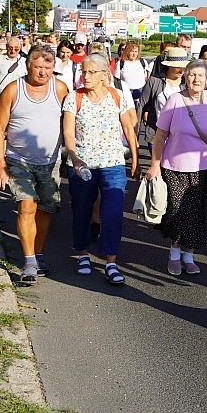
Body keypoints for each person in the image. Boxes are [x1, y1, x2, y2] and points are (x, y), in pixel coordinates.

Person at [0, 45, 70, 285]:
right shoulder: (13, 90)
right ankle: (29, 261)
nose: (43, 72)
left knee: (45, 210)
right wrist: (0, 164)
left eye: (48, 67)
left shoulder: (59, 89)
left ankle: (38, 252)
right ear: (28, 66)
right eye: (38, 67)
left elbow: (72, 120)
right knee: (26, 207)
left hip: (50, 161)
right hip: (19, 160)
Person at [144, 59, 207, 276]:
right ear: (185, 77)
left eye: (201, 75)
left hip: (205, 168)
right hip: (174, 167)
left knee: (200, 213)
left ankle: (188, 255)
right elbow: (160, 134)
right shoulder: (174, 100)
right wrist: (154, 164)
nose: (196, 79)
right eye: (192, 75)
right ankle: (174, 253)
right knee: (178, 212)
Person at [62, 53, 139, 285]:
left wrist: (135, 157)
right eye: (83, 71)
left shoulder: (117, 96)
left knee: (113, 213)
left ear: (105, 75)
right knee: (82, 210)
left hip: (113, 163)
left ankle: (111, 261)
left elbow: (128, 127)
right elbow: (67, 131)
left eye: (91, 72)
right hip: (83, 165)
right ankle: (83, 254)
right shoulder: (73, 98)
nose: (85, 76)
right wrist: (74, 157)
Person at [136, 42, 189, 152]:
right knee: (158, 166)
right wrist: (135, 136)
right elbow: (141, 105)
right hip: (157, 133)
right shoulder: (155, 82)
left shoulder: (187, 83)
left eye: (184, 66)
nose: (181, 70)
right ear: (169, 65)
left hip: (181, 135)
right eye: (178, 66)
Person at [0, 35, 27, 113]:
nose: (13, 51)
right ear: (7, 47)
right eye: (10, 48)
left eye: (16, 49)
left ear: (20, 48)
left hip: (18, 102)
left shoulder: (24, 62)